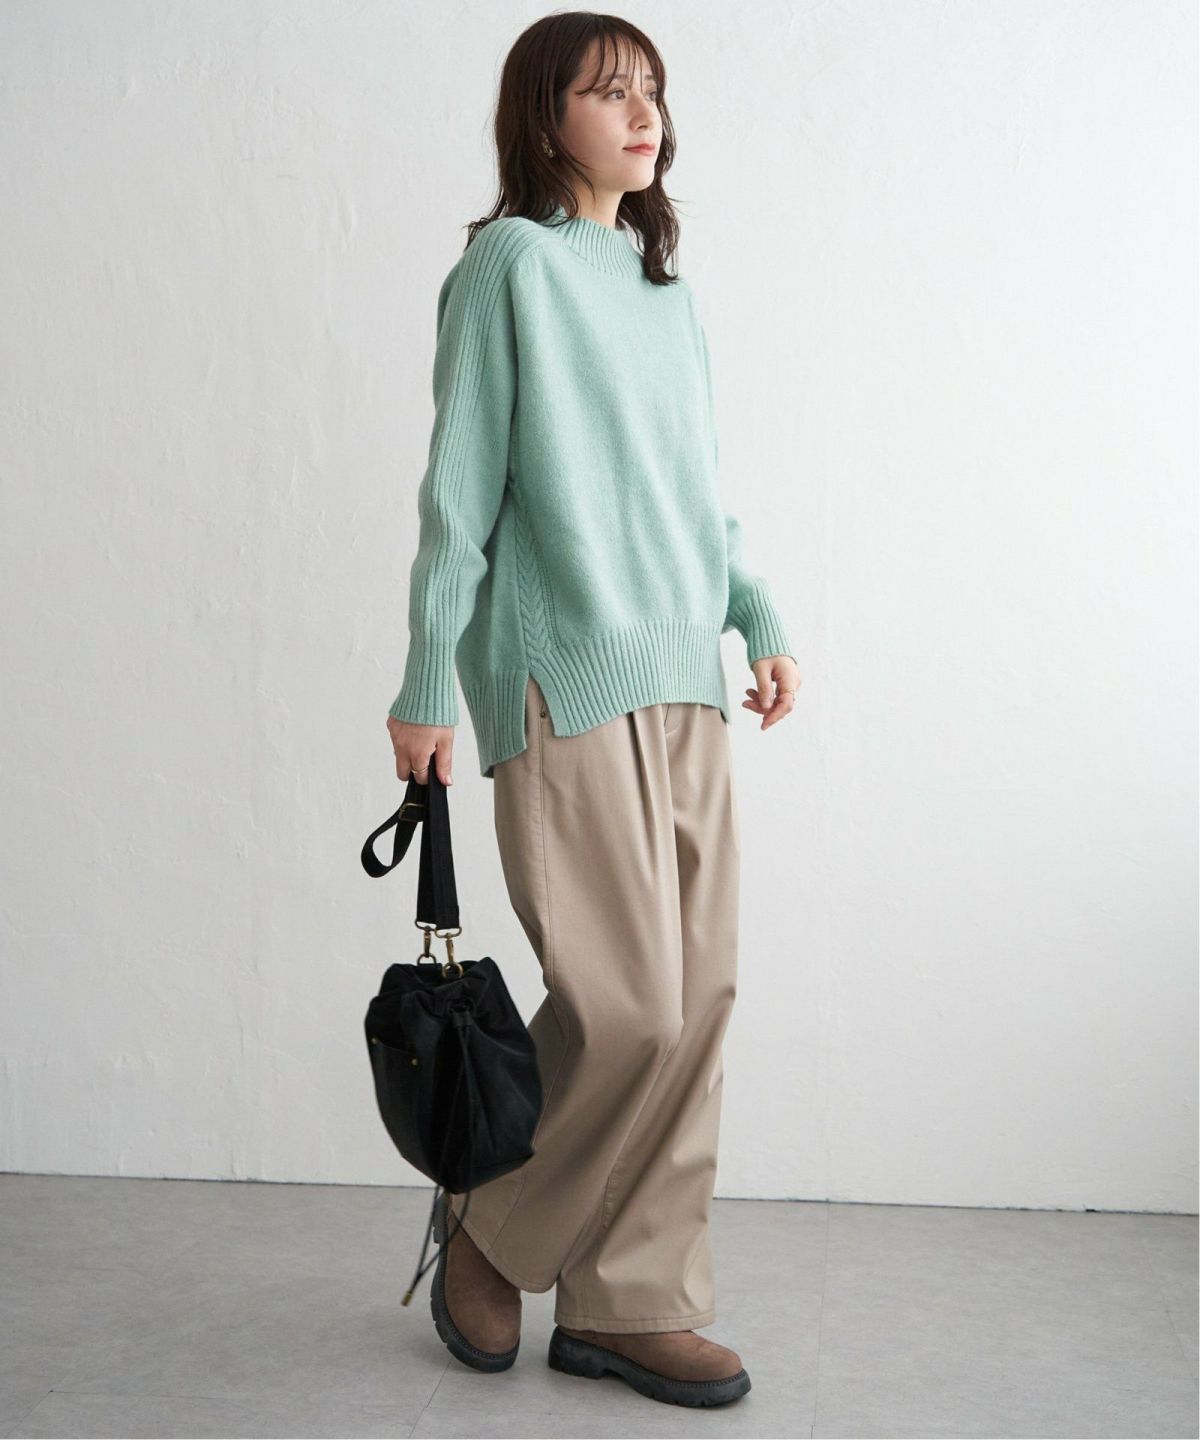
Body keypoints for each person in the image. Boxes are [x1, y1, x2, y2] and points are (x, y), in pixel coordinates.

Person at [385, 12, 800, 1410]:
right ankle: (493, 1224)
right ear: (542, 118)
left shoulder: (663, 293)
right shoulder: (509, 267)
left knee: (698, 1007)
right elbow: (458, 495)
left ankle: (632, 1304)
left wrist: (758, 617)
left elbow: (694, 491)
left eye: (652, 91)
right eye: (607, 91)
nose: (642, 113)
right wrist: (426, 682)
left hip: (687, 674)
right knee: (627, 1011)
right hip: (562, 674)